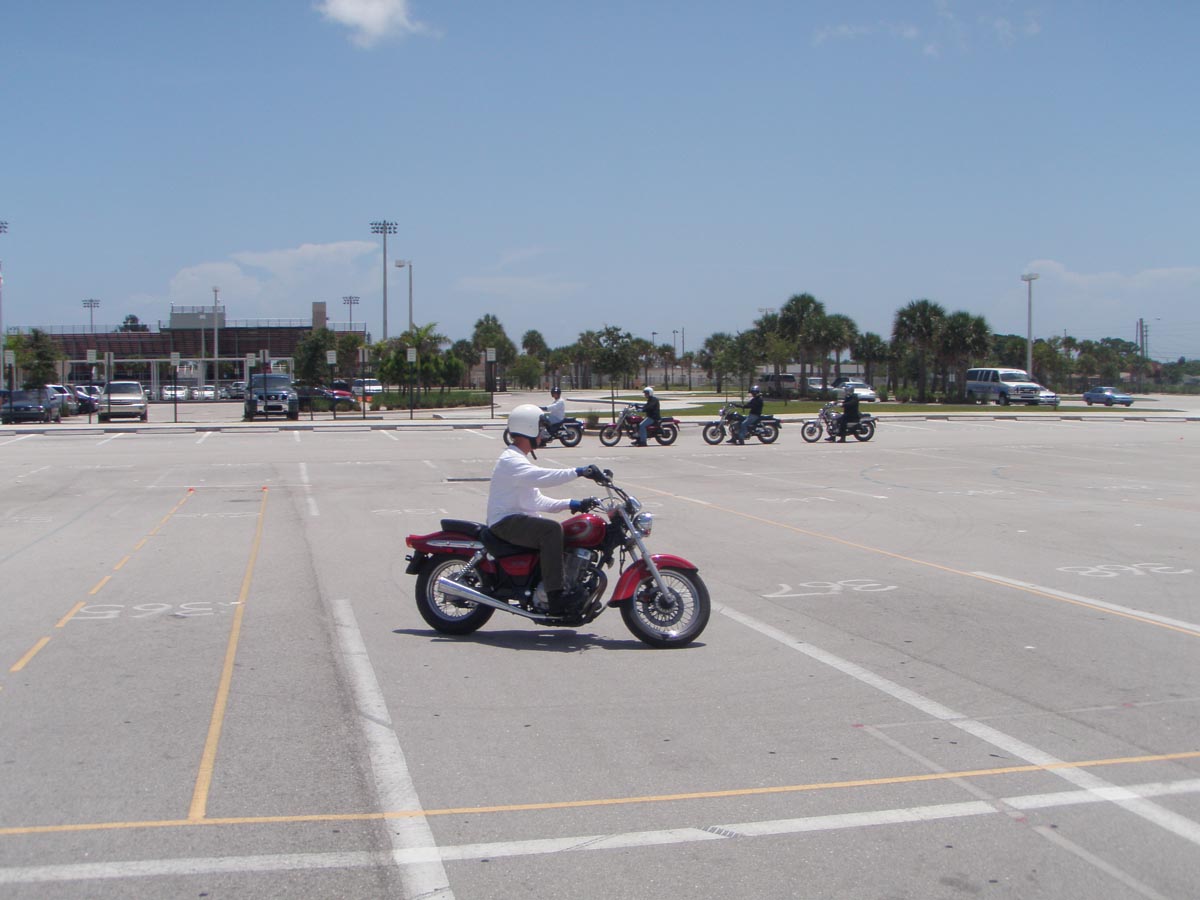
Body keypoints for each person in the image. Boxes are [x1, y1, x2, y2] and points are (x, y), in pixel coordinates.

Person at [488, 404, 604, 617]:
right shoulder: (511, 460)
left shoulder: (517, 459)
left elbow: (537, 500)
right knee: (551, 531)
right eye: (540, 429)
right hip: (505, 522)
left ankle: (562, 585)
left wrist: (573, 504)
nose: (542, 434)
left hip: (516, 519)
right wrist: (579, 471)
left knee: (561, 531)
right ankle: (555, 597)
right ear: (529, 428)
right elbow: (543, 477)